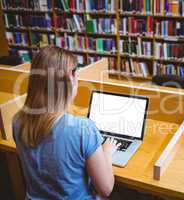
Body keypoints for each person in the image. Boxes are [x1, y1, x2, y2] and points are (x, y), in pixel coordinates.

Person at [13, 47, 120, 200]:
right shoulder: (82, 129)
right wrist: (107, 153)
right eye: (76, 72)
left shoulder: (18, 122)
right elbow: (106, 189)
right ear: (71, 78)